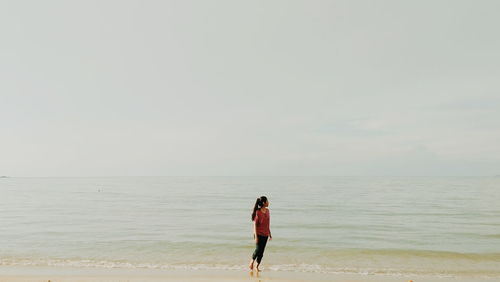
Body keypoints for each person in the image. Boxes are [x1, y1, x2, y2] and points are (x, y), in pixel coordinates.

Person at [249, 196, 272, 272]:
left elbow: (268, 223)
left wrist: (270, 233)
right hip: (258, 234)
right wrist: (256, 236)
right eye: (267, 201)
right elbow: (255, 225)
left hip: (265, 234)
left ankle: (257, 266)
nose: (268, 202)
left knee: (262, 252)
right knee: (258, 249)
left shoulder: (268, 211)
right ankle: (252, 261)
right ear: (264, 203)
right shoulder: (258, 212)